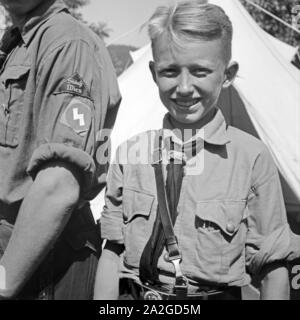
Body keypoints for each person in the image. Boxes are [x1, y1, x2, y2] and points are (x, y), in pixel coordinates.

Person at [94, 0, 298, 300]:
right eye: (170, 71)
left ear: (227, 74)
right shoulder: (130, 154)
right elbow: (113, 253)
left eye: (200, 71)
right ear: (153, 73)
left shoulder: (251, 158)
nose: (185, 87)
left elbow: (273, 268)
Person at [0, 0, 121, 299]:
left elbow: (59, 185)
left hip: (42, 261)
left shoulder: (67, 43)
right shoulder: (18, 40)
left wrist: (2, 283)